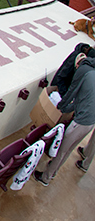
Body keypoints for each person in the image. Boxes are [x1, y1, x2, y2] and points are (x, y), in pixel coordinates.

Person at [35, 52, 95, 185]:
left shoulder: (83, 72)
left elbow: (71, 93)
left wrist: (60, 107)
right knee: (70, 148)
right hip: (91, 121)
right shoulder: (92, 73)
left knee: (62, 148)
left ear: (77, 65)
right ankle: (54, 170)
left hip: (81, 121)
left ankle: (46, 177)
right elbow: (81, 100)